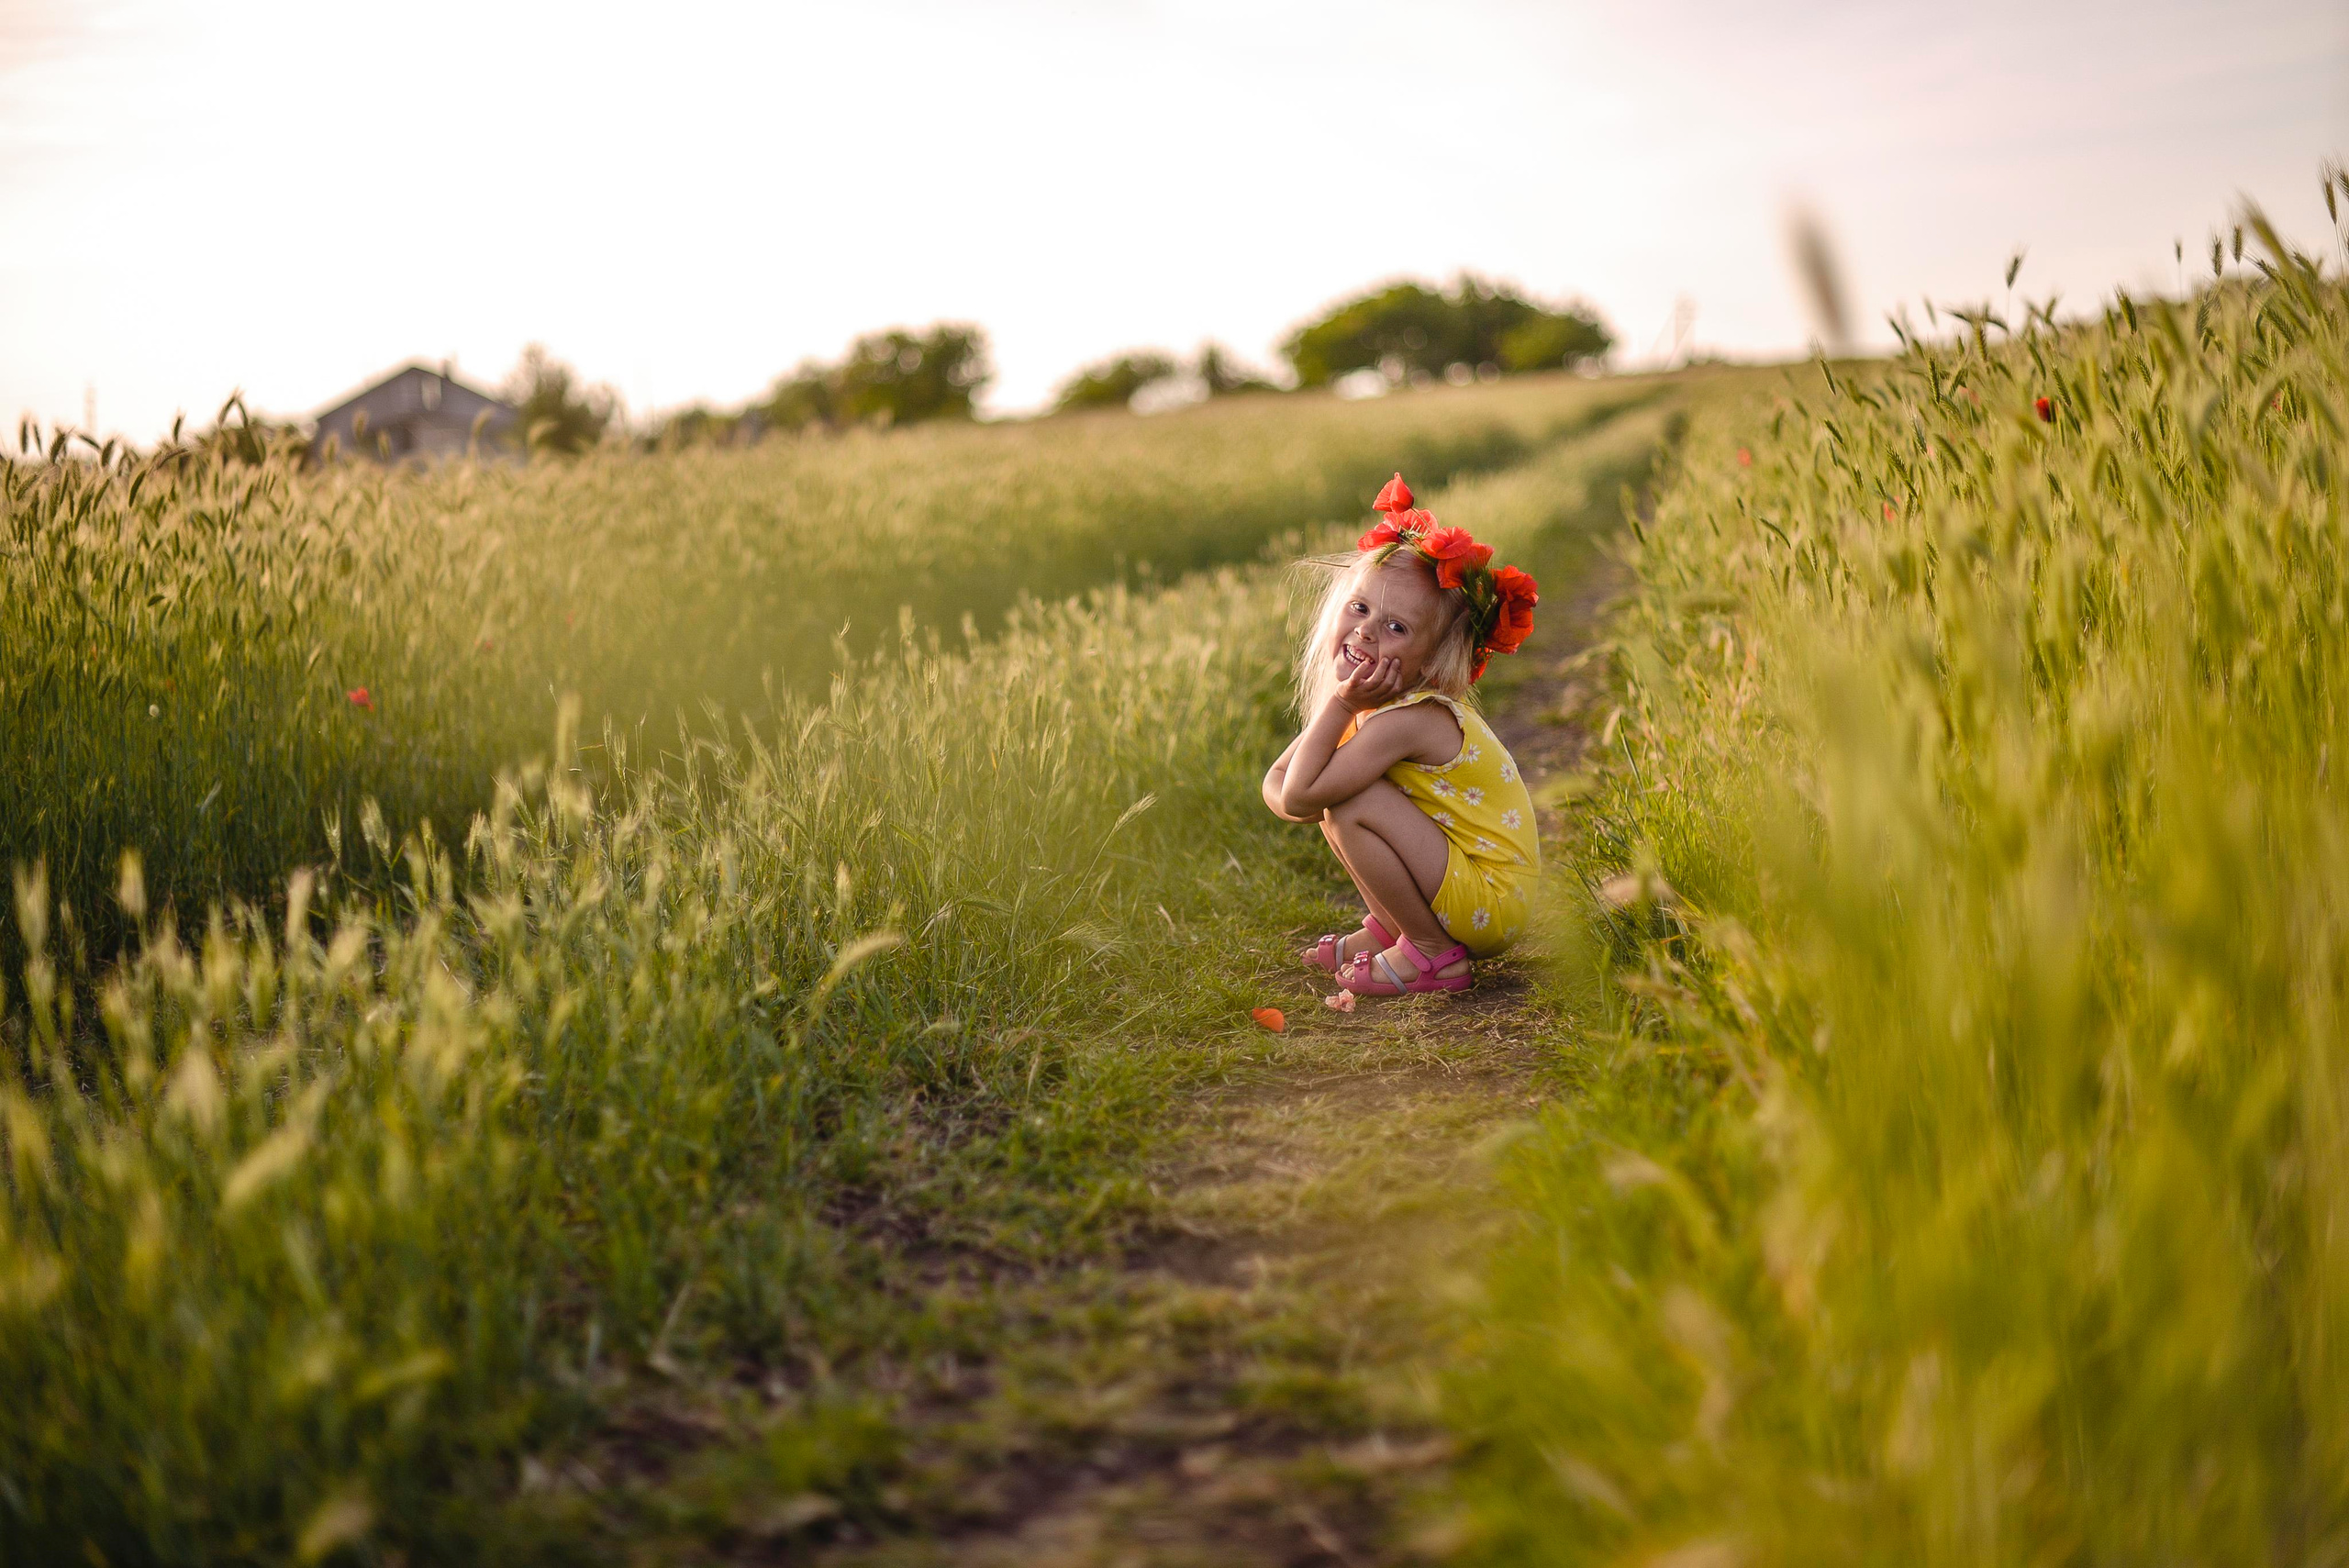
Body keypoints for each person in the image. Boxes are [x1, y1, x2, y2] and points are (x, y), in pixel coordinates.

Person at [1262, 473, 1542, 996]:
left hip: (1491, 901)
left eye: (1397, 628)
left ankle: (1433, 952)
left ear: (1432, 661)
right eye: (1360, 608)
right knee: (1338, 798)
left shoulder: (1408, 719)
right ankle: (1397, 928)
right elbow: (1282, 783)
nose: (1366, 630)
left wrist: (1341, 705)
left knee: (1348, 802)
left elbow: (1296, 794)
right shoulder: (1375, 705)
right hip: (1468, 890)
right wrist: (1332, 731)